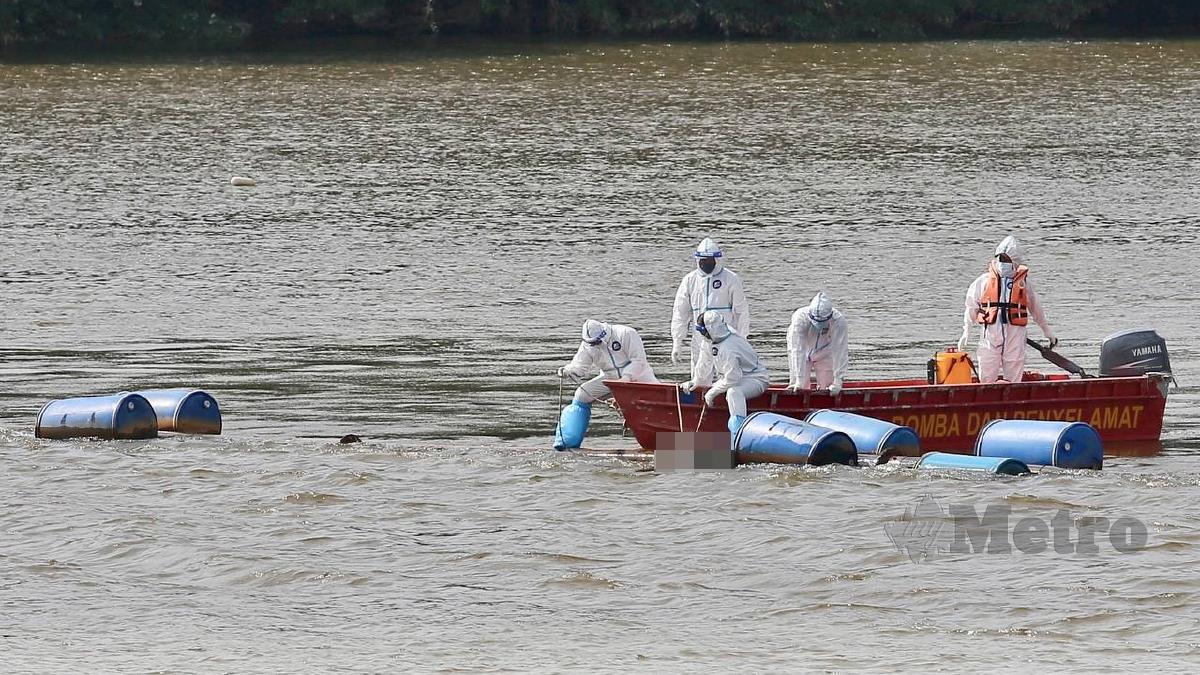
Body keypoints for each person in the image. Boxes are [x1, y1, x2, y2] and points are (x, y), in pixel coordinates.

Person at [958, 236, 1056, 383]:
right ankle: (987, 398)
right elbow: (971, 306)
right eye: (1001, 259)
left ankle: (1013, 397)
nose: (1003, 263)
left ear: (1016, 262)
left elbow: (1036, 310)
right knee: (987, 371)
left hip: (1015, 335)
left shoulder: (1024, 285)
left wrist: (1047, 331)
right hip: (990, 334)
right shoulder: (983, 282)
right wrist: (966, 331)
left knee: (1014, 372)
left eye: (1007, 260)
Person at [553, 319, 657, 450]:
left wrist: (626, 378)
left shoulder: (626, 333)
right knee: (581, 395)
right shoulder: (588, 345)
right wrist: (568, 370)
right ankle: (567, 441)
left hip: (639, 376)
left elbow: (639, 360)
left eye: (597, 342)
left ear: (604, 334)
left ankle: (661, 441)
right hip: (609, 378)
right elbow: (580, 366)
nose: (595, 345)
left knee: (651, 404)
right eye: (592, 343)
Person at [670, 237, 749, 386]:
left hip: (726, 338)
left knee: (727, 377)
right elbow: (680, 313)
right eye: (703, 261)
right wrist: (677, 342)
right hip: (700, 338)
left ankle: (727, 403)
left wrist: (742, 339)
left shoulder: (730, 279)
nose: (706, 264)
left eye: (709, 261)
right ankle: (701, 404)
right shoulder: (690, 280)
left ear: (717, 260)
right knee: (699, 379)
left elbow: (741, 311)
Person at [681, 310, 769, 434]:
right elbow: (705, 360)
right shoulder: (712, 339)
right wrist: (696, 380)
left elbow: (733, 378)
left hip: (754, 378)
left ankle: (739, 430)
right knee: (723, 388)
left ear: (711, 330)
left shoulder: (729, 348)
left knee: (734, 392)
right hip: (733, 376)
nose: (702, 334)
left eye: (702, 331)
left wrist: (713, 392)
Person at [786, 291, 850, 396]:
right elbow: (797, 349)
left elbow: (840, 349)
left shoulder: (838, 321)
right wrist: (799, 379)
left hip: (825, 351)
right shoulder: (800, 318)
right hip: (804, 350)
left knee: (828, 388)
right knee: (799, 387)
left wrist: (838, 380)